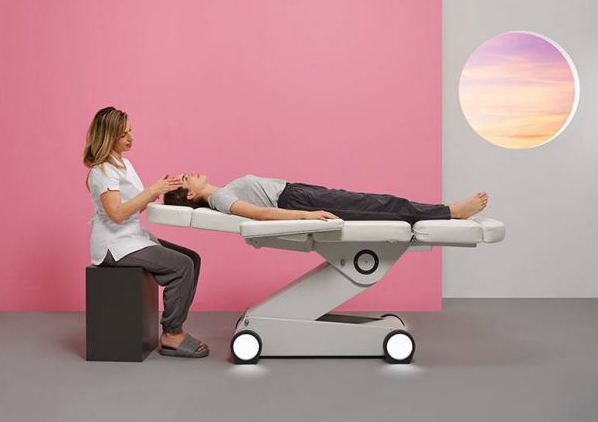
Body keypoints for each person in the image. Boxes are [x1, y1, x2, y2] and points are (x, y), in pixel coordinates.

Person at [83, 107, 208, 359]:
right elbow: (116, 214)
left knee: (192, 258)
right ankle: (172, 333)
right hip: (114, 245)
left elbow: (134, 208)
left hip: (132, 236)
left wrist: (163, 190)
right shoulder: (102, 171)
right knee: (182, 265)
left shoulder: (124, 164)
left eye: (130, 131)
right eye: (123, 134)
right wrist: (152, 191)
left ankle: (175, 324)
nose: (130, 137)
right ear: (108, 136)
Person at [163, 172, 489, 223]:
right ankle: (451, 212)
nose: (190, 172)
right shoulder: (220, 198)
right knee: (380, 206)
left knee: (376, 203)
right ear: (191, 194)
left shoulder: (221, 192)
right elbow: (259, 215)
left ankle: (448, 211)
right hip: (297, 202)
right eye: (187, 178)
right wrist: (308, 215)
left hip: (296, 193)